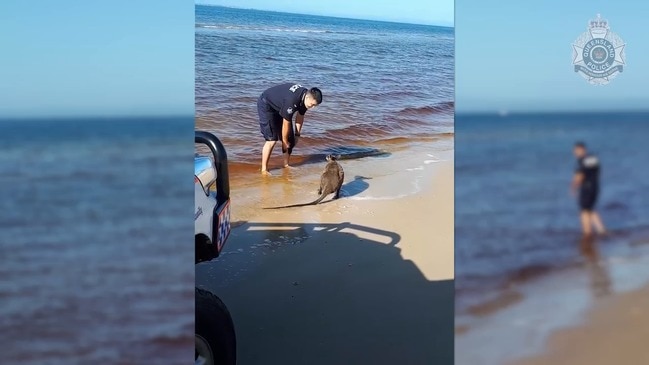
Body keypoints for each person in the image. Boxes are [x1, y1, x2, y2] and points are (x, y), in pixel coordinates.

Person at [256, 83, 323, 175]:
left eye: (315, 106)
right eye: (312, 105)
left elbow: (300, 116)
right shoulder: (292, 101)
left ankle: (286, 164)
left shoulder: (306, 100)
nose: (313, 107)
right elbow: (286, 123)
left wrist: (297, 135)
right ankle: (264, 169)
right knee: (272, 139)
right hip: (266, 104)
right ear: (307, 97)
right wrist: (284, 141)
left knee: (290, 139)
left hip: (280, 105)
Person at [571, 141, 606, 237]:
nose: (574, 153)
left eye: (576, 150)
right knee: (590, 209)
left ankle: (587, 234)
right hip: (595, 187)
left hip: (586, 188)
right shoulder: (594, 159)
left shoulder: (581, 161)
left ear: (581, 150)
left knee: (584, 211)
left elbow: (580, 175)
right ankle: (601, 230)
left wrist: (573, 187)